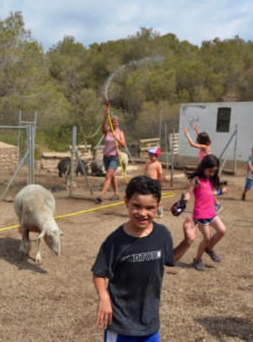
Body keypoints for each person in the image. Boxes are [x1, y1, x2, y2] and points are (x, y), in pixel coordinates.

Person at [92, 175, 197, 342]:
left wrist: (187, 242)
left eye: (149, 208)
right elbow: (99, 272)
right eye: (136, 206)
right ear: (126, 202)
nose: (143, 213)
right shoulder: (115, 241)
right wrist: (104, 298)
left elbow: (169, 259)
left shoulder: (162, 234)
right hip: (121, 323)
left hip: (149, 322)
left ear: (158, 207)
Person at [182, 154, 227, 271]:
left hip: (211, 212)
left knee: (222, 230)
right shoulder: (196, 180)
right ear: (203, 167)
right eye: (210, 171)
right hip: (200, 215)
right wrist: (185, 200)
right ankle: (197, 259)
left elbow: (210, 193)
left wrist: (221, 192)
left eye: (214, 172)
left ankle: (209, 249)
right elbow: (188, 192)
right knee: (206, 238)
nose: (212, 174)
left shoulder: (210, 179)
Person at [96, 105, 126, 203]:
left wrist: (116, 138)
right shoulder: (107, 132)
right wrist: (105, 116)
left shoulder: (120, 132)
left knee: (108, 176)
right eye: (114, 122)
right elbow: (102, 126)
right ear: (111, 123)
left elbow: (123, 145)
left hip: (115, 157)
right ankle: (116, 194)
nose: (116, 124)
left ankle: (101, 195)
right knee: (112, 176)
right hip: (106, 157)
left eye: (117, 122)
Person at [144, 146, 164, 217]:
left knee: (157, 197)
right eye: (150, 155)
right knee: (148, 196)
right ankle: (149, 209)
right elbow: (145, 172)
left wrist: (160, 181)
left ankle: (159, 208)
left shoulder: (158, 164)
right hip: (147, 182)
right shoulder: (147, 163)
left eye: (152, 156)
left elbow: (160, 174)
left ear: (157, 156)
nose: (150, 157)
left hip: (155, 182)